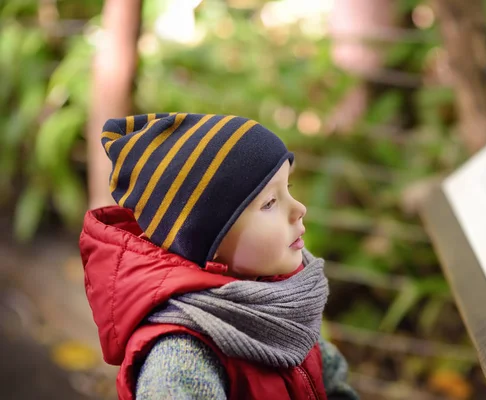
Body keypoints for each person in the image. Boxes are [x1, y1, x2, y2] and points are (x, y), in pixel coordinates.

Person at [79, 113, 359, 399]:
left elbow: (332, 381)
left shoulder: (285, 300)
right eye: (270, 203)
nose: (299, 208)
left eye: (288, 188)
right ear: (208, 241)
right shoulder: (181, 361)